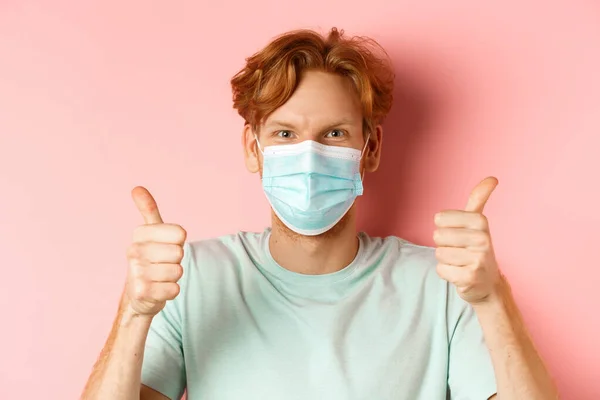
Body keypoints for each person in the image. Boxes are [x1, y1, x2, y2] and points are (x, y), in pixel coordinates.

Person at [81, 28, 557, 400]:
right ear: (254, 147)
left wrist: (493, 299)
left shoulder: (443, 285)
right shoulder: (192, 278)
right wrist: (133, 313)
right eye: (286, 134)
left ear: (369, 149)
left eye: (333, 134)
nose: (308, 158)